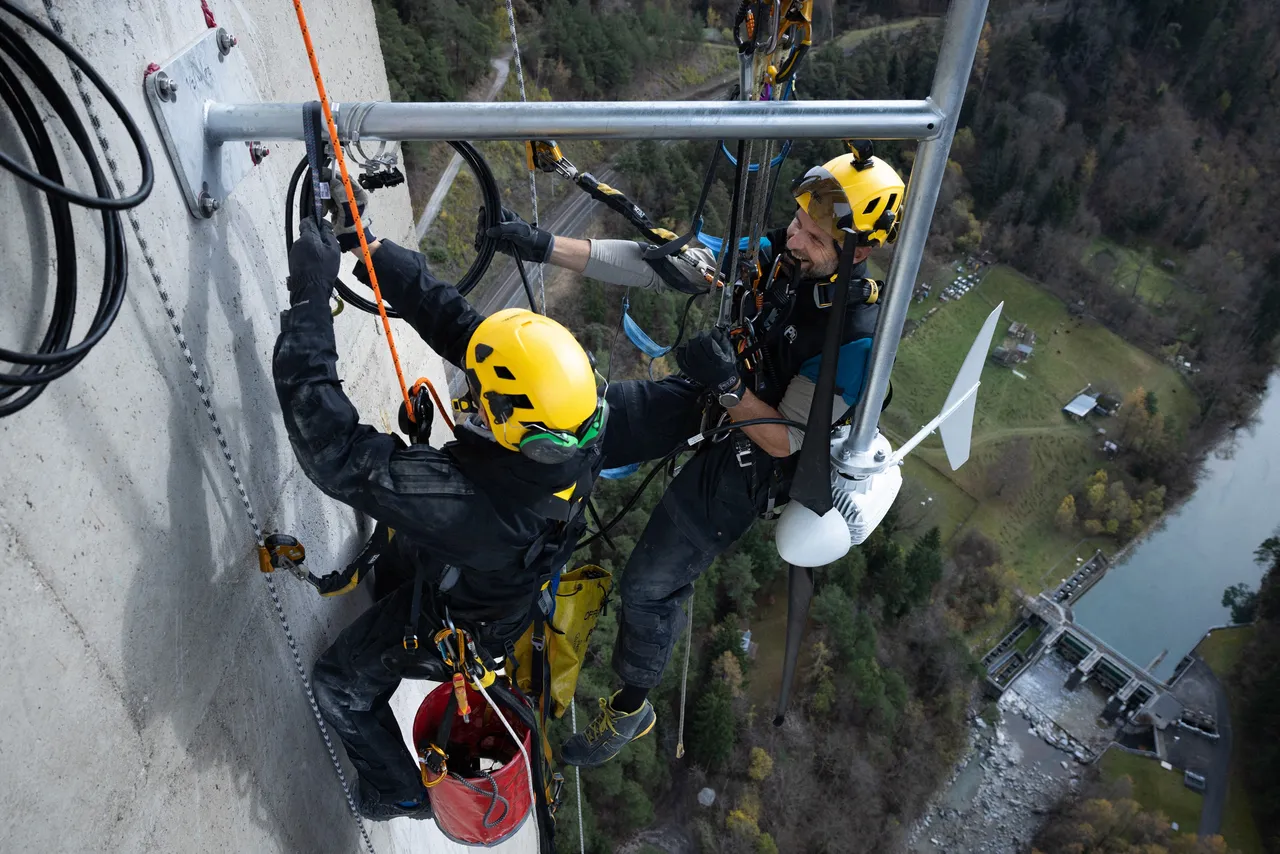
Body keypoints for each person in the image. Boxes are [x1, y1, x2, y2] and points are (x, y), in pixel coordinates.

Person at [486, 150, 907, 767]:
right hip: (715, 393)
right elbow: (659, 265)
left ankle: (630, 707)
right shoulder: (776, 254)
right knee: (584, 422)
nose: (794, 237)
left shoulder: (855, 337)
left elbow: (785, 440)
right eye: (797, 222)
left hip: (752, 457)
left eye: (815, 238)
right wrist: (542, 246)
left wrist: (733, 388)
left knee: (650, 584)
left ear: (859, 252)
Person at [272, 178, 608, 820]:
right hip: (494, 581)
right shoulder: (576, 417)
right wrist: (366, 245)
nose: (470, 394)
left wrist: (309, 298)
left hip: (462, 625)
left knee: (339, 686)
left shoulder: (472, 509)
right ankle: (400, 587)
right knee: (398, 571)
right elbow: (463, 329)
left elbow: (333, 448)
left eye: (481, 396)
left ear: (515, 424)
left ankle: (397, 788)